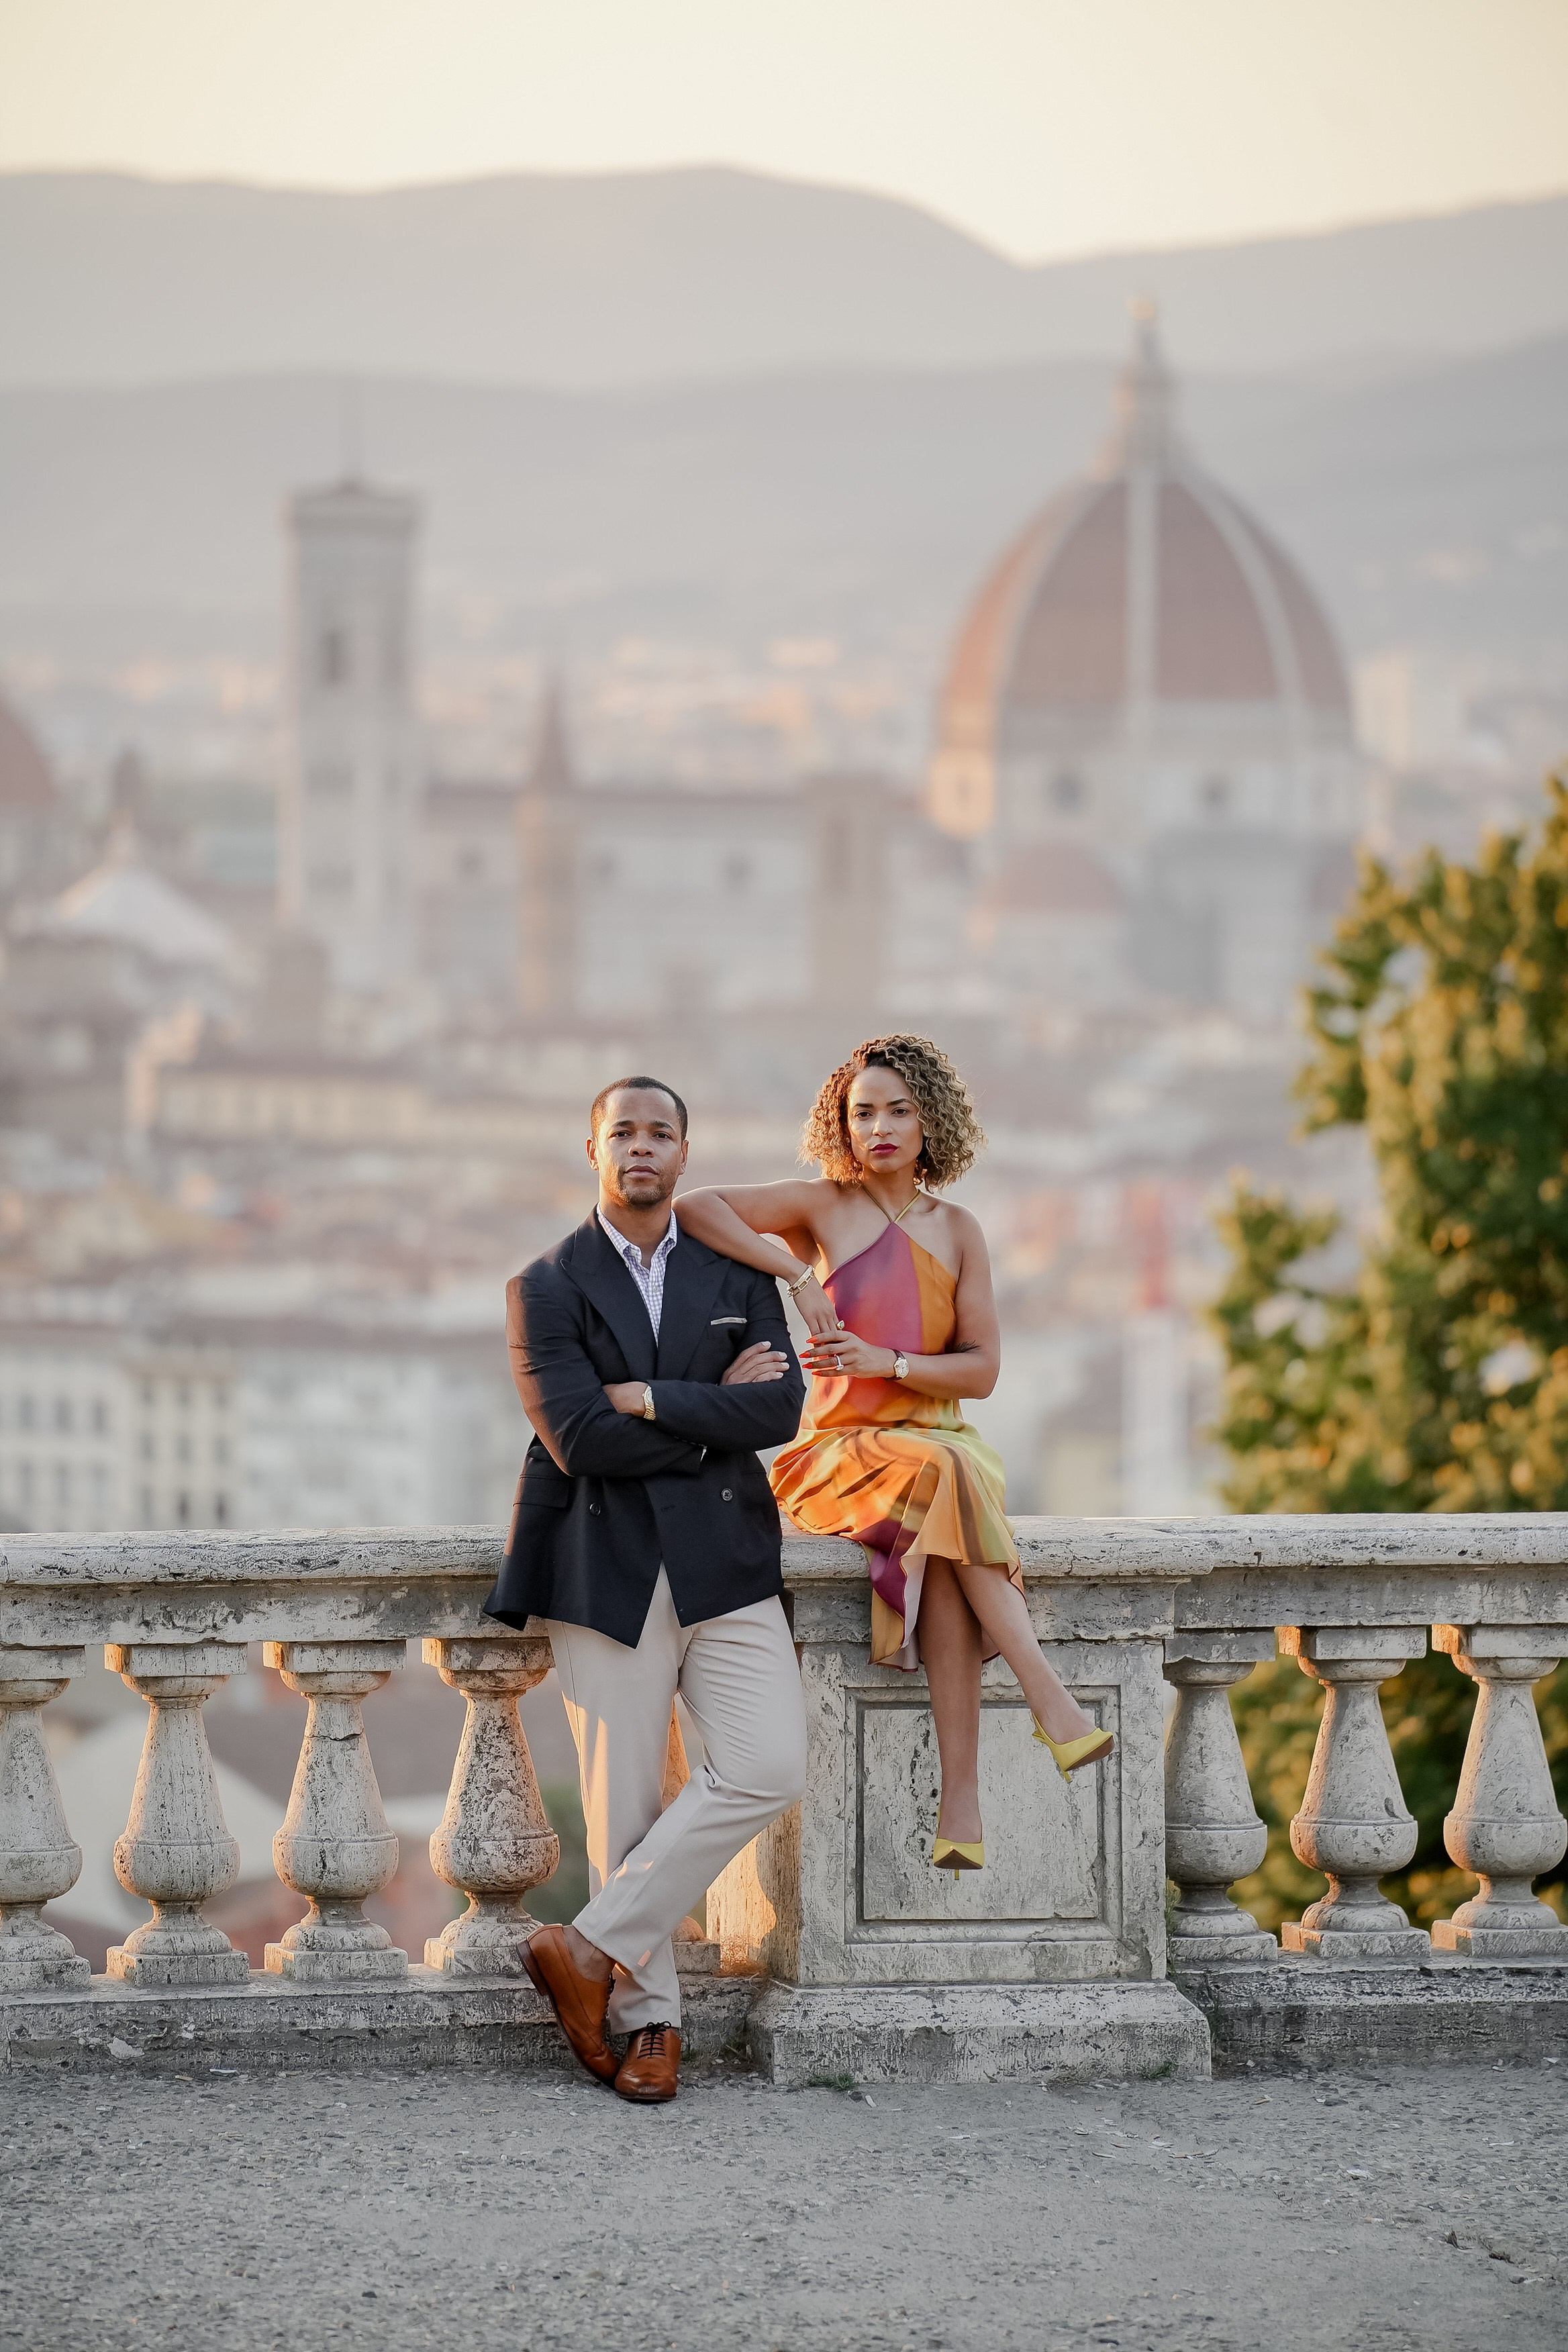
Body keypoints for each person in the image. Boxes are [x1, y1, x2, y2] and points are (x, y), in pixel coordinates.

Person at [675, 1033, 1112, 1876]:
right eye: (862, 1112)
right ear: (841, 1125)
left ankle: (960, 1806)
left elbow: (981, 1370)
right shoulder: (821, 1207)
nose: (879, 1127)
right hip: (836, 1455)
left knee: (945, 1533)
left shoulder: (959, 1229)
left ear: (928, 1122)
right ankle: (1048, 1699)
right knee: (947, 1484)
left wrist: (892, 1364)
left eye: (898, 1111)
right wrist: (795, 1277)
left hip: (940, 1439)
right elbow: (698, 1208)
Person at [483, 1075, 807, 2102]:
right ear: (593, 1149)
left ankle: (582, 1947)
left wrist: (655, 1399)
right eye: (622, 1131)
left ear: (683, 1153)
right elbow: (579, 1439)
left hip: (730, 1564)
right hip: (605, 1566)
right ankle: (650, 2025)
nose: (641, 1147)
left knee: (768, 1764)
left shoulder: (735, 1270)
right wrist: (711, 1410)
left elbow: (783, 1411)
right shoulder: (545, 1285)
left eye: (659, 1133)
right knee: (624, 1804)